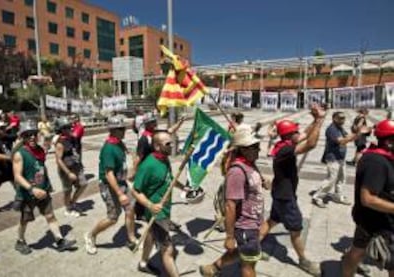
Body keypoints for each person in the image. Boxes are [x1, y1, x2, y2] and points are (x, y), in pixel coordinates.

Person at [260, 104, 326, 276]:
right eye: (296, 131)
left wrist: (314, 120)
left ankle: (254, 247)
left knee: (272, 221)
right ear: (290, 135)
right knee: (296, 229)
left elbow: (304, 134)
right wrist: (319, 121)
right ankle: (303, 260)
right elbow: (310, 143)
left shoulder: (283, 144)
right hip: (285, 197)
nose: (300, 133)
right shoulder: (286, 150)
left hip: (280, 193)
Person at [199, 125, 265, 277]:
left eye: (258, 146)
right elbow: (230, 206)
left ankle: (213, 268)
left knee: (246, 255)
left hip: (253, 222)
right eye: (254, 147)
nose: (258, 149)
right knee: (249, 265)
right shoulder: (236, 172)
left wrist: (263, 181)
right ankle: (214, 268)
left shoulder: (250, 164)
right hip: (245, 226)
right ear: (243, 149)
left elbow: (253, 180)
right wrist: (229, 237)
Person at [12, 120, 76, 254]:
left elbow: (40, 168)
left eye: (34, 134)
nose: (32, 137)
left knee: (50, 215)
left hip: (43, 190)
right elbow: (17, 176)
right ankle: (20, 241)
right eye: (28, 135)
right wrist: (32, 189)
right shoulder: (20, 154)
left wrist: (46, 185)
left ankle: (59, 240)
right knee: (25, 219)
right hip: (28, 193)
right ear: (23, 137)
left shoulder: (40, 150)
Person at [342, 119, 394, 276]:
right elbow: (368, 198)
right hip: (374, 218)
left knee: (357, 251)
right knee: (358, 252)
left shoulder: (385, 156)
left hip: (379, 216)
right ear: (390, 142)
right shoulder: (376, 162)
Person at [132, 131, 184, 276]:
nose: (172, 145)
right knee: (168, 250)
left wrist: (184, 187)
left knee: (150, 235)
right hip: (156, 213)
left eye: (171, 142)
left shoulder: (164, 159)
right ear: (157, 146)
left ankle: (143, 263)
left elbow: (170, 179)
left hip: (165, 209)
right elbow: (135, 191)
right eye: (168, 144)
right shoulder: (148, 165)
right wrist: (150, 205)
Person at [84, 116, 138, 254]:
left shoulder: (119, 143)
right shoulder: (108, 148)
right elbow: (109, 174)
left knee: (130, 209)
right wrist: (120, 194)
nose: (123, 131)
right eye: (120, 129)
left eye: (123, 128)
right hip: (109, 185)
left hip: (121, 182)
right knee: (113, 218)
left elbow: (126, 156)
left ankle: (131, 238)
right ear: (112, 130)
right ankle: (91, 235)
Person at [312, 111, 367, 208]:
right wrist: (357, 133)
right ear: (334, 118)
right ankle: (317, 197)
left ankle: (337, 196)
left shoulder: (340, 128)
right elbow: (342, 141)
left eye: (344, 118)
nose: (343, 120)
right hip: (333, 158)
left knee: (341, 178)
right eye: (340, 118)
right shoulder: (331, 129)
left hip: (341, 158)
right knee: (331, 179)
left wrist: (358, 133)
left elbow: (348, 137)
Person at [54, 116, 87, 217]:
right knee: (67, 190)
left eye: (69, 127)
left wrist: (80, 163)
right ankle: (67, 209)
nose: (69, 129)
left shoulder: (73, 138)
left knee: (83, 184)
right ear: (61, 130)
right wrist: (68, 173)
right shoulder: (60, 143)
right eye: (65, 128)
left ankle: (72, 202)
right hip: (66, 170)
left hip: (76, 166)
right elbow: (58, 160)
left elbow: (77, 150)